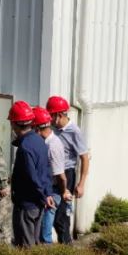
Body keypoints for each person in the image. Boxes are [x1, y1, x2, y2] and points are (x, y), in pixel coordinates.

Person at [7, 101, 56, 247]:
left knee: (25, 247)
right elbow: (46, 171)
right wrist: (47, 194)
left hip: (27, 204)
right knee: (34, 244)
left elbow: (31, 177)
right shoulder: (39, 141)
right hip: (38, 204)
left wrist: (43, 195)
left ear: (14, 124)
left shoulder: (25, 147)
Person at [46, 95, 90, 244]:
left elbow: (85, 157)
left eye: (51, 115)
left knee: (61, 216)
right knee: (51, 213)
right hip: (53, 174)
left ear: (59, 115)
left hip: (67, 175)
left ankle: (67, 248)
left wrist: (81, 184)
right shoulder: (52, 128)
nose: (49, 119)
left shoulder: (74, 131)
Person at [33, 107, 71, 244]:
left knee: (45, 234)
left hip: (53, 191)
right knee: (40, 231)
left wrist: (63, 191)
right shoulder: (45, 142)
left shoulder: (53, 145)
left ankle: (47, 254)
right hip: (46, 190)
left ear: (37, 128)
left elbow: (60, 175)